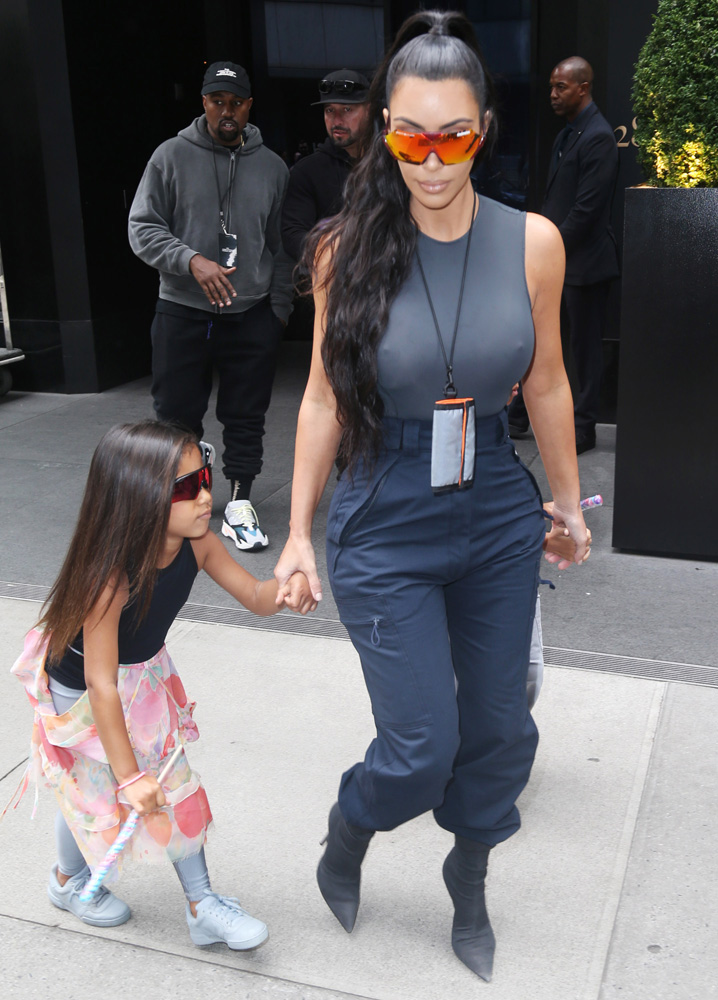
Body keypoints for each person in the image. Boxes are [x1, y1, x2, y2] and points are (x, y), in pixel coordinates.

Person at [273, 10, 589, 983]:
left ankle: (471, 872)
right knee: (419, 745)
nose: (433, 158)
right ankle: (351, 823)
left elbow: (547, 383)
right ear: (383, 128)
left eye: (454, 134)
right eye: (411, 134)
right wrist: (296, 535)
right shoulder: (344, 250)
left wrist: (567, 506)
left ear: (484, 127)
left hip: (493, 499)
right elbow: (324, 397)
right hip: (386, 504)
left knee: (500, 726)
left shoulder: (533, 244)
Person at [8, 421, 313, 948]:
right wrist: (128, 777)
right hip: (81, 692)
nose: (205, 496)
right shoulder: (111, 577)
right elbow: (101, 684)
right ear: (139, 497)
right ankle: (67, 880)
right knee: (96, 796)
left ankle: (202, 905)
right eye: (185, 487)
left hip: (142, 675)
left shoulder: (198, 545)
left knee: (176, 785)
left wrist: (289, 588)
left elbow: (259, 597)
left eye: (206, 477)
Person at [129, 61, 294, 551]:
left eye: (237, 102)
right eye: (218, 101)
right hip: (183, 308)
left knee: (246, 415)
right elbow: (142, 227)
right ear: (202, 103)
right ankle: (186, 500)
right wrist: (190, 260)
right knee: (176, 415)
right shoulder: (170, 156)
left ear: (249, 106)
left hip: (251, 313)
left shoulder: (272, 167)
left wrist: (278, 310)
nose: (228, 111)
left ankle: (240, 503)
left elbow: (281, 247)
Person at [510, 57, 619, 454]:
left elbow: (586, 213)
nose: (552, 94)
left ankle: (584, 428)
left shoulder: (598, 137)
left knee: (584, 352)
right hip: (559, 263)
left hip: (587, 266)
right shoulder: (567, 135)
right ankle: (519, 415)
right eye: (552, 87)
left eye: (561, 87)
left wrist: (546, 249)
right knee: (537, 341)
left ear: (583, 88)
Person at [281, 69, 371, 262]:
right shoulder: (307, 172)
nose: (337, 120)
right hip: (331, 284)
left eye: (347, 110)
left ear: (369, 111)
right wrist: (336, 256)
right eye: (330, 110)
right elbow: (293, 235)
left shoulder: (390, 164)